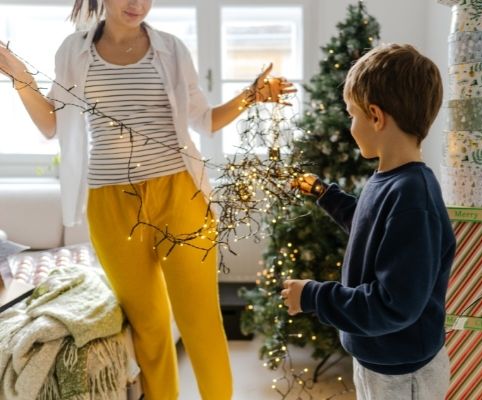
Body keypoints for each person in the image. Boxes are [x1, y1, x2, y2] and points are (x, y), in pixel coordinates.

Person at [0, 0, 295, 399]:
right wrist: (21, 78)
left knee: (201, 322)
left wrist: (251, 96)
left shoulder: (170, 49)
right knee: (150, 329)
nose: (138, 4)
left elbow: (204, 120)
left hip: (180, 194)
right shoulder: (73, 51)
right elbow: (51, 124)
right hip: (110, 204)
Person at [282, 43, 456, 400]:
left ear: (376, 116)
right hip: (379, 356)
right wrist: (324, 194)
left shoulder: (413, 196)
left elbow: (393, 304)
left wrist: (315, 296)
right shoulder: (389, 180)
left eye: (351, 114)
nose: (350, 125)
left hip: (402, 371)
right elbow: (369, 226)